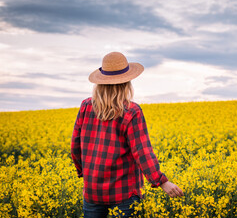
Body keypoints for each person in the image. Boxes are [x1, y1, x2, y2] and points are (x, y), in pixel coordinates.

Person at [71, 52, 184, 218]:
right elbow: (142, 152)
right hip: (124, 193)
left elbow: (76, 146)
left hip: (92, 190)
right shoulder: (132, 111)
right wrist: (161, 182)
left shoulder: (86, 106)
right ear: (127, 83)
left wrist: (85, 172)